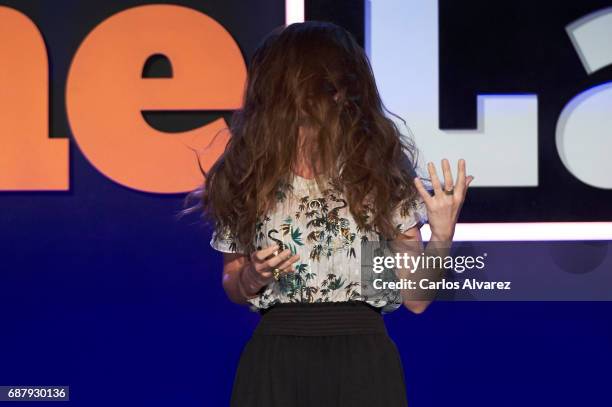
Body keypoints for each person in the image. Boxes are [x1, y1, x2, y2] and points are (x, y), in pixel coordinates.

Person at [184, 21, 473, 407]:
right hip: (277, 360)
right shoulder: (249, 173)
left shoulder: (375, 174)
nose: (325, 97)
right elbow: (233, 282)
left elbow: (415, 300)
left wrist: (440, 237)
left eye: (333, 84)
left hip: (363, 362)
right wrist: (252, 275)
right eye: (313, 84)